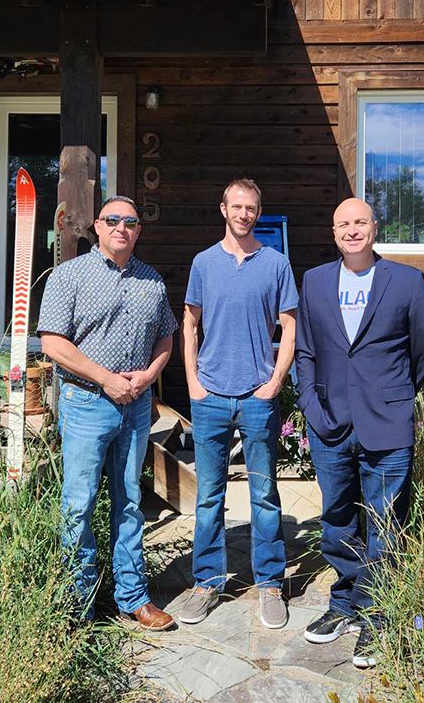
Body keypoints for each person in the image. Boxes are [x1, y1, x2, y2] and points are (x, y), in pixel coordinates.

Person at [294, 197, 424, 667]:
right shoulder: (314, 282)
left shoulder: (406, 281)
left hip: (387, 422)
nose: (351, 230)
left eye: (360, 222)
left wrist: (394, 395)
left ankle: (376, 615)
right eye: (342, 224)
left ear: (375, 227)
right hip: (330, 422)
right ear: (333, 232)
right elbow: (307, 350)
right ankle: (344, 603)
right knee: (337, 516)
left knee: (384, 520)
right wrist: (311, 405)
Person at [37, 195, 178, 631]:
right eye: (113, 219)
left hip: (135, 407)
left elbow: (166, 338)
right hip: (86, 404)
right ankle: (77, 603)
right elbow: (53, 344)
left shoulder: (151, 281)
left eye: (130, 222)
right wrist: (106, 379)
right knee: (78, 505)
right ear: (97, 226)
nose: (122, 227)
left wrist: (149, 375)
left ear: (138, 231)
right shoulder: (69, 276)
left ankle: (132, 597)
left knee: (130, 503)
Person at [177, 178, 298, 630]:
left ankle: (269, 584)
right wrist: (193, 383)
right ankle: (208, 582)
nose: (244, 213)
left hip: (256, 395)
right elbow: (189, 325)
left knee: (264, 494)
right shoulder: (204, 263)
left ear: (258, 213)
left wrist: (275, 382)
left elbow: (289, 327)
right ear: (223, 208)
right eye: (237, 206)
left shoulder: (276, 264)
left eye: (252, 208)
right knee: (209, 496)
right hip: (209, 396)